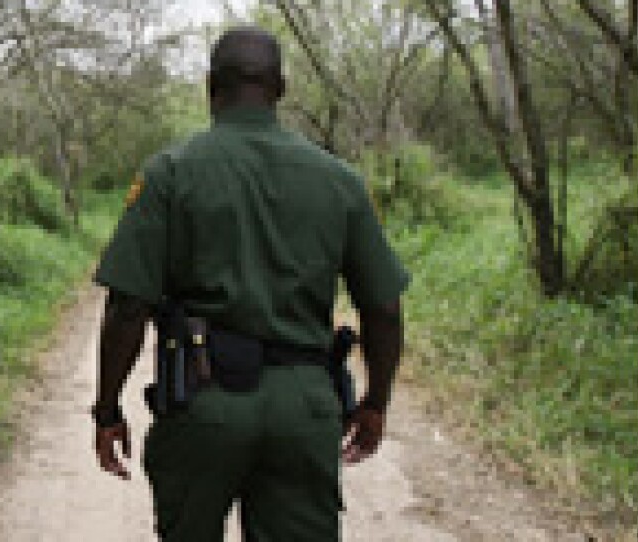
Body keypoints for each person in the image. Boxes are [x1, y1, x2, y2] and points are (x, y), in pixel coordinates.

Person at [90, 26, 409, 542]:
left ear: (210, 85)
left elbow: (127, 307)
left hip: (203, 402)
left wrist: (107, 411)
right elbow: (385, 308)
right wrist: (375, 404)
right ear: (280, 88)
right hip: (304, 407)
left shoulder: (171, 172)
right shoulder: (341, 180)